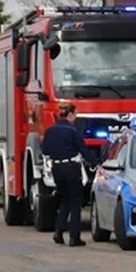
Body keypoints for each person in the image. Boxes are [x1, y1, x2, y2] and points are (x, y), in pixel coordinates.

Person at [40, 102, 96, 247]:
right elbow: (83, 150)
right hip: (71, 166)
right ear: (70, 114)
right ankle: (74, 237)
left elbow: (45, 150)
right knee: (75, 202)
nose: (75, 118)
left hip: (56, 167)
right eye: (75, 115)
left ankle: (58, 232)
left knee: (64, 200)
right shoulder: (72, 131)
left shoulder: (50, 130)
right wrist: (96, 164)